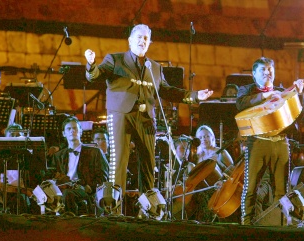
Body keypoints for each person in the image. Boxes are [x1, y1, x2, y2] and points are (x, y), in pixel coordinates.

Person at [84, 24, 213, 202]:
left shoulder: (155, 68)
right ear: (130, 40)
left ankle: (148, 207)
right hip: (121, 115)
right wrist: (91, 65)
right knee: (119, 160)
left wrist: (194, 95)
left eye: (146, 38)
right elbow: (95, 76)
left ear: (149, 43)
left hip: (146, 118)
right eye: (138, 37)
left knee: (148, 162)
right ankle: (114, 207)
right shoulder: (115, 60)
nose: (142, 41)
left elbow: (168, 91)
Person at [236, 57, 304, 225]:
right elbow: (241, 104)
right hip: (258, 142)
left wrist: (299, 94)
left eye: (270, 70)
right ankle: (247, 224)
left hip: (280, 142)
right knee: (251, 186)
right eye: (263, 70)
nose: (268, 73)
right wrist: (265, 95)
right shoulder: (246, 90)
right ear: (254, 74)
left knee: (281, 188)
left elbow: (297, 114)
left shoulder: (282, 92)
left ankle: (280, 223)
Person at [51, 117, 109, 215]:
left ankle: (70, 224)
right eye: (69, 129)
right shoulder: (58, 156)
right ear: (63, 134)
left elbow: (103, 177)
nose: (72, 131)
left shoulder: (94, 152)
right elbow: (53, 175)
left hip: (85, 191)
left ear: (81, 132)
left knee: (67, 194)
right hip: (63, 189)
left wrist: (90, 187)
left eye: (75, 128)